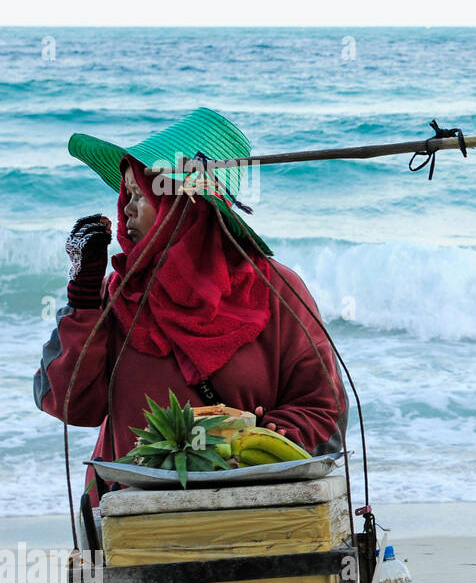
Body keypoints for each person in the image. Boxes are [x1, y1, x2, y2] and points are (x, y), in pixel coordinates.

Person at [35, 108, 345, 499]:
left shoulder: (275, 289)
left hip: (246, 509)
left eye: (139, 194)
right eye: (124, 193)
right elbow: (69, 405)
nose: (125, 208)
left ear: (183, 203)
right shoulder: (115, 292)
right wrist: (82, 298)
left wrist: (267, 437)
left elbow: (323, 408)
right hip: (125, 509)